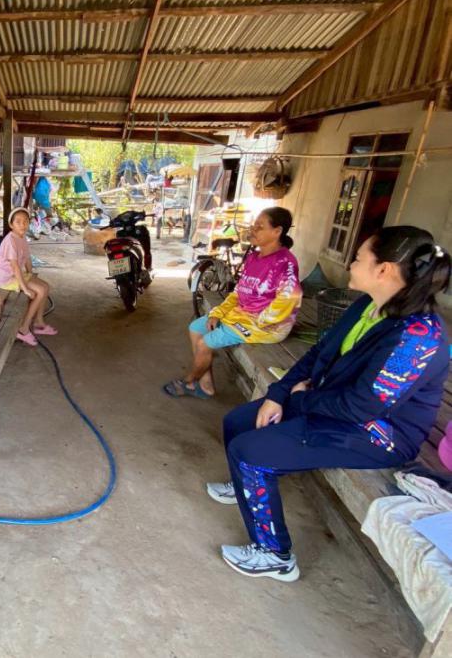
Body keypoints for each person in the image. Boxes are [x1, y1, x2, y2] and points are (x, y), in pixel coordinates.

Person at [207, 226, 450, 582]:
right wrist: (278, 394)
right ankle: (246, 484)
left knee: (249, 452)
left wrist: (300, 398)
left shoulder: (419, 337)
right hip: (331, 401)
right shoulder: (368, 305)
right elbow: (319, 353)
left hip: (378, 433)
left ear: (383, 270)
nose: (351, 264)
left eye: (359, 258)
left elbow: (363, 408)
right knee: (238, 423)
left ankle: (275, 554)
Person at [163, 207, 301, 399]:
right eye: (254, 225)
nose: (253, 229)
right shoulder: (254, 257)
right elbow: (238, 293)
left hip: (267, 327)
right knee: (196, 328)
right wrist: (218, 313)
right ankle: (206, 385)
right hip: (242, 317)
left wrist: (255, 321)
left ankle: (189, 382)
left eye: (260, 226)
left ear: (277, 231)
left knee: (205, 343)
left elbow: (290, 298)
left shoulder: (284, 263)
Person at [0, 208, 57, 346]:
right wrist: (25, 288)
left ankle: (38, 323)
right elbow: (15, 267)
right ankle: (23, 329)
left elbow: (27, 258)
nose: (22, 224)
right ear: (11, 225)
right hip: (7, 278)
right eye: (18, 222)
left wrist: (30, 273)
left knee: (45, 287)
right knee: (39, 291)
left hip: (16, 274)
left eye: (25, 221)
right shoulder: (10, 240)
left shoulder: (22, 237)